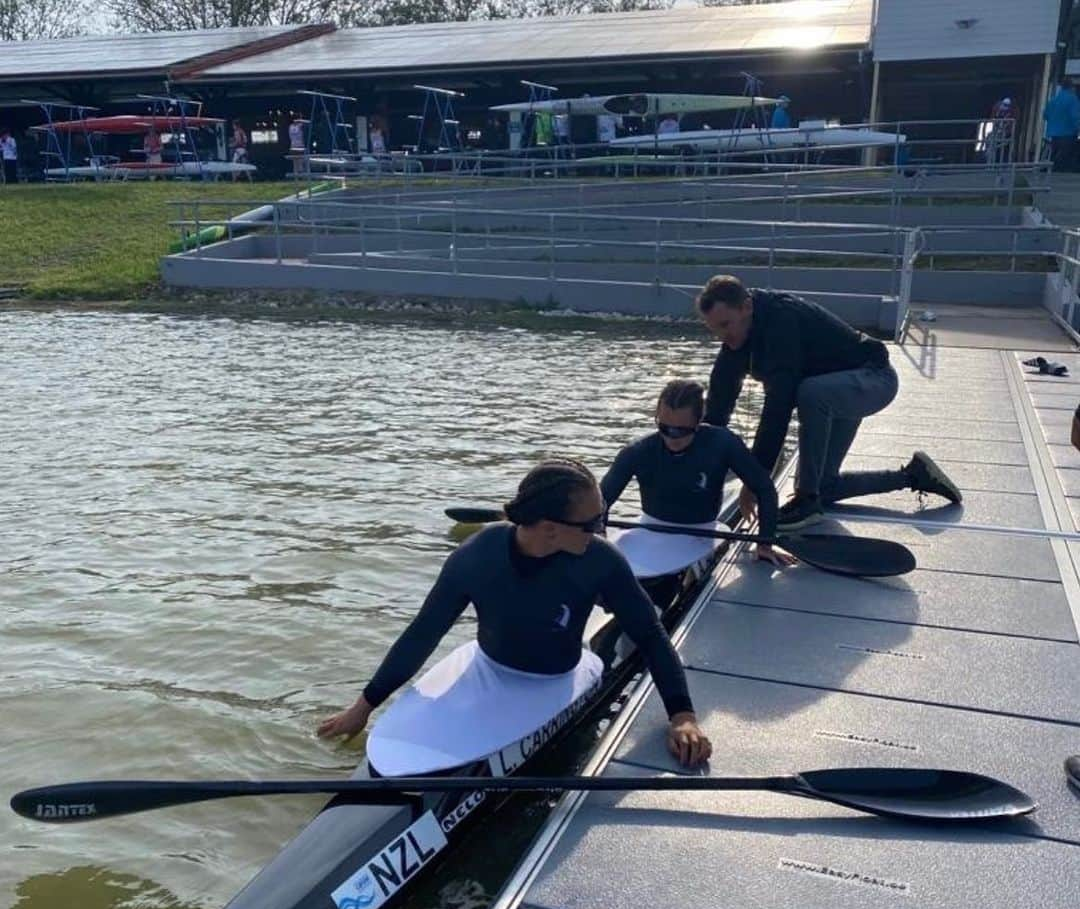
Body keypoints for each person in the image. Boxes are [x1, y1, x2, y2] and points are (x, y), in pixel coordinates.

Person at [318, 459, 712, 767]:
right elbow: (423, 633)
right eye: (593, 522)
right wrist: (363, 707)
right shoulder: (475, 556)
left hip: (555, 681)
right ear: (548, 528)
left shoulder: (600, 561)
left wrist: (682, 715)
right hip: (485, 668)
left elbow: (650, 635)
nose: (602, 529)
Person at [697, 275, 962, 531]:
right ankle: (914, 475)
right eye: (714, 330)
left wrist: (755, 480)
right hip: (833, 392)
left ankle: (807, 503)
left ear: (746, 306)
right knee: (825, 486)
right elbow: (717, 411)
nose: (723, 336)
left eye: (725, 325)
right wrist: (694, 468)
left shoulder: (781, 320)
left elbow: (778, 406)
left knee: (808, 393)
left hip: (872, 379)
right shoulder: (735, 340)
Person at [600, 379, 791, 568]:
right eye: (664, 428)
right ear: (657, 416)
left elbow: (765, 489)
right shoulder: (637, 451)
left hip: (702, 532)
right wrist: (598, 533)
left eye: (681, 431)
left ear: (699, 421)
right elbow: (601, 500)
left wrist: (764, 543)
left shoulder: (723, 443)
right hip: (650, 527)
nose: (672, 437)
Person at [1044, 81, 1080, 172]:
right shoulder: (1073, 99)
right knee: (1065, 158)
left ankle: (1052, 174)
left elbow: (1045, 115)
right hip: (1068, 134)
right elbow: (1075, 117)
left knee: (1055, 156)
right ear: (1071, 88)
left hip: (1053, 134)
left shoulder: (1053, 100)